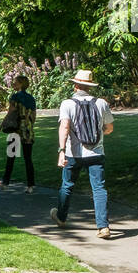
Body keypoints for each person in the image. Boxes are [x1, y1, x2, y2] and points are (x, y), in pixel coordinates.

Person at [51, 69, 115, 239]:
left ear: (76, 85)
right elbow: (109, 128)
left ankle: (61, 217)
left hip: (74, 154)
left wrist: (61, 151)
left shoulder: (67, 104)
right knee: (99, 189)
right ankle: (103, 227)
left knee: (67, 186)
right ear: (90, 86)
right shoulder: (101, 103)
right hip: (96, 153)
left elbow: (64, 127)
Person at [0, 75, 37, 192]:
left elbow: (10, 113)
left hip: (15, 130)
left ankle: (5, 182)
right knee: (28, 159)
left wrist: (0, 126)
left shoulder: (15, 97)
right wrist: (28, 125)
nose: (13, 84)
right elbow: (34, 116)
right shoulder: (31, 98)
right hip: (28, 131)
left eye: (15, 82)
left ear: (20, 84)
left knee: (11, 157)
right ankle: (30, 185)